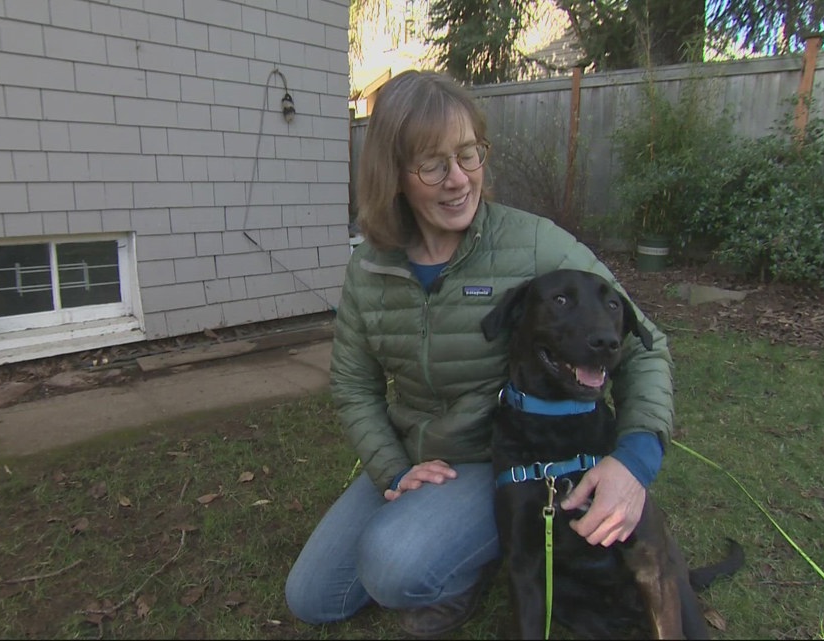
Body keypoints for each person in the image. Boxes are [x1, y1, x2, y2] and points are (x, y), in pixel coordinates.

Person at [284, 69, 674, 638]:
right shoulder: (370, 268)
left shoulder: (533, 242)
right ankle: (444, 540)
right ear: (393, 175)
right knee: (312, 597)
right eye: (432, 164)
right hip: (418, 456)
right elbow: (352, 385)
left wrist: (634, 460)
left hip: (500, 458)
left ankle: (462, 572)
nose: (459, 180)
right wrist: (393, 470)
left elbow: (645, 344)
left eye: (469, 154)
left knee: (395, 568)